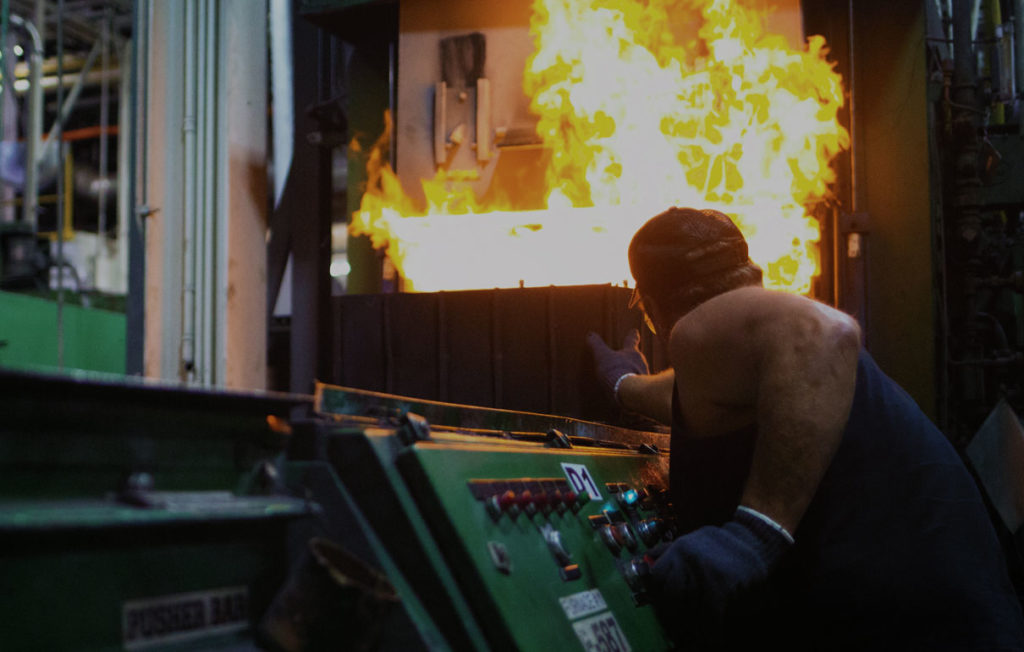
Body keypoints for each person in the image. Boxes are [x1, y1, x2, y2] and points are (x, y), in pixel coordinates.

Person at [587, 207, 1024, 650]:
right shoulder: (752, 365)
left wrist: (753, 535)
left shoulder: (699, 327)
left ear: (651, 302)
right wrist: (625, 384)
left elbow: (825, 330)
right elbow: (697, 393)